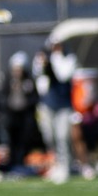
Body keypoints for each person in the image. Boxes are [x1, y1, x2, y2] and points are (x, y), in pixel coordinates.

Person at [34, 43, 76, 182]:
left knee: (62, 137)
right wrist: (44, 62)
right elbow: (40, 80)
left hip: (63, 105)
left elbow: (62, 75)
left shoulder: (69, 59)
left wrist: (54, 60)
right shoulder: (43, 59)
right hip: (47, 105)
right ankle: (55, 165)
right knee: (49, 137)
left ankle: (65, 166)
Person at [0, 51, 41, 174]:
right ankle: (12, 164)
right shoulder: (8, 80)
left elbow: (34, 98)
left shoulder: (28, 81)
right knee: (11, 142)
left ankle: (20, 164)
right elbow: (2, 97)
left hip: (25, 116)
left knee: (23, 141)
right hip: (11, 116)